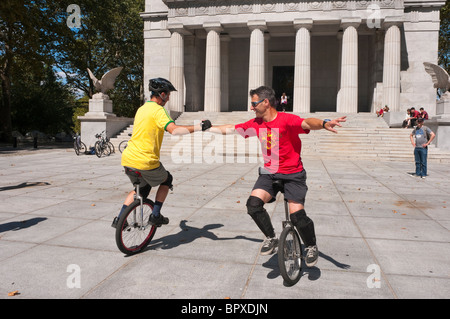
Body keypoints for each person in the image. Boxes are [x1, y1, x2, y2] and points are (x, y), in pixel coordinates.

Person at [206, 86, 346, 267]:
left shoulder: (286, 120)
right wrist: (209, 128)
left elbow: (306, 123)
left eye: (254, 103)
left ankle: (311, 246)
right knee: (253, 205)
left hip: (293, 175)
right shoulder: (256, 124)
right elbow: (231, 129)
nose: (251, 107)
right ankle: (271, 238)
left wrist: (324, 123)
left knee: (298, 217)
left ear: (266, 102)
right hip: (270, 174)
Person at [111, 78, 211, 228]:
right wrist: (199, 126)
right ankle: (156, 215)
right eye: (168, 94)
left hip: (128, 158)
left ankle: (119, 220)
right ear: (162, 94)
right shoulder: (159, 111)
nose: (169, 98)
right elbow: (175, 130)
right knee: (167, 179)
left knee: (141, 190)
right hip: (146, 161)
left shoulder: (142, 109)